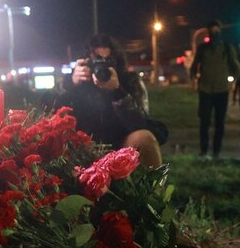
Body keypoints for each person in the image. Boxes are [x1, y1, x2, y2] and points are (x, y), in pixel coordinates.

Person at [47, 34, 162, 168]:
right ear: (85, 61)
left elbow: (140, 122)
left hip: (121, 144)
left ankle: (152, 186)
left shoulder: (130, 80)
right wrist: (70, 84)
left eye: (107, 61)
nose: (101, 66)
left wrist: (118, 92)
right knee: (54, 139)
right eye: (97, 60)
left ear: (117, 61)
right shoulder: (74, 81)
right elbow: (48, 108)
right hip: (81, 145)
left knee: (144, 138)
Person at [190, 19, 240, 158]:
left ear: (220, 30)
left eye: (217, 30)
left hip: (221, 90)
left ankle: (216, 152)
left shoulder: (227, 47)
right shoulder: (202, 48)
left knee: (220, 123)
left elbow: (235, 67)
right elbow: (194, 66)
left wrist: (232, 81)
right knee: (204, 122)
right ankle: (204, 151)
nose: (215, 32)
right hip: (205, 89)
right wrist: (194, 79)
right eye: (212, 30)